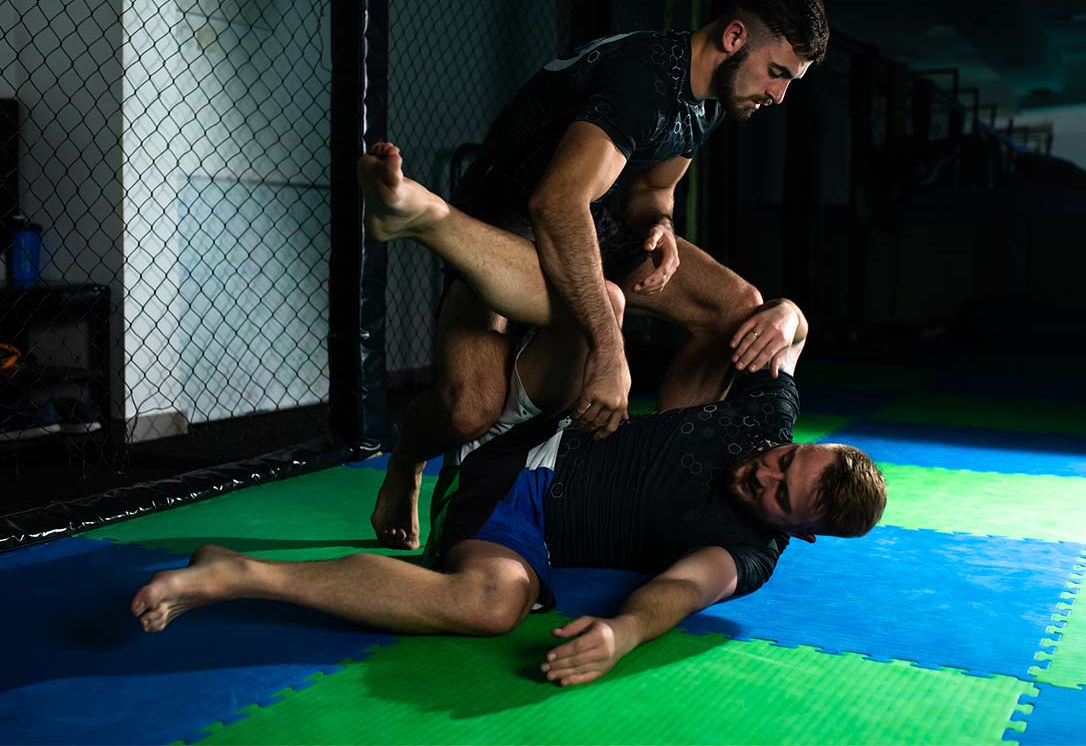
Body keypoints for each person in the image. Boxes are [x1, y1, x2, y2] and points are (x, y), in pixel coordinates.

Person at [130, 145, 886, 688]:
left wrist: (622, 633)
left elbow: (680, 592)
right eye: (788, 459)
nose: (765, 469)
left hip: (508, 508)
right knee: (612, 308)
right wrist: (788, 314)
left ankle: (237, 575)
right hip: (543, 411)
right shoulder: (766, 422)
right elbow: (786, 335)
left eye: (778, 492)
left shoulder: (746, 553)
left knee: (494, 604)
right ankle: (451, 246)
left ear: (799, 530)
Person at [375, 0, 831, 550]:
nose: (779, 94)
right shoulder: (645, 77)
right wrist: (611, 352)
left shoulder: (711, 96)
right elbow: (556, 201)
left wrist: (660, 226)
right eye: (778, 73)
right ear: (735, 37)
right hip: (502, 225)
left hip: (594, 224)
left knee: (737, 310)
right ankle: (407, 462)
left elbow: (651, 193)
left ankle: (654, 466)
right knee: (469, 411)